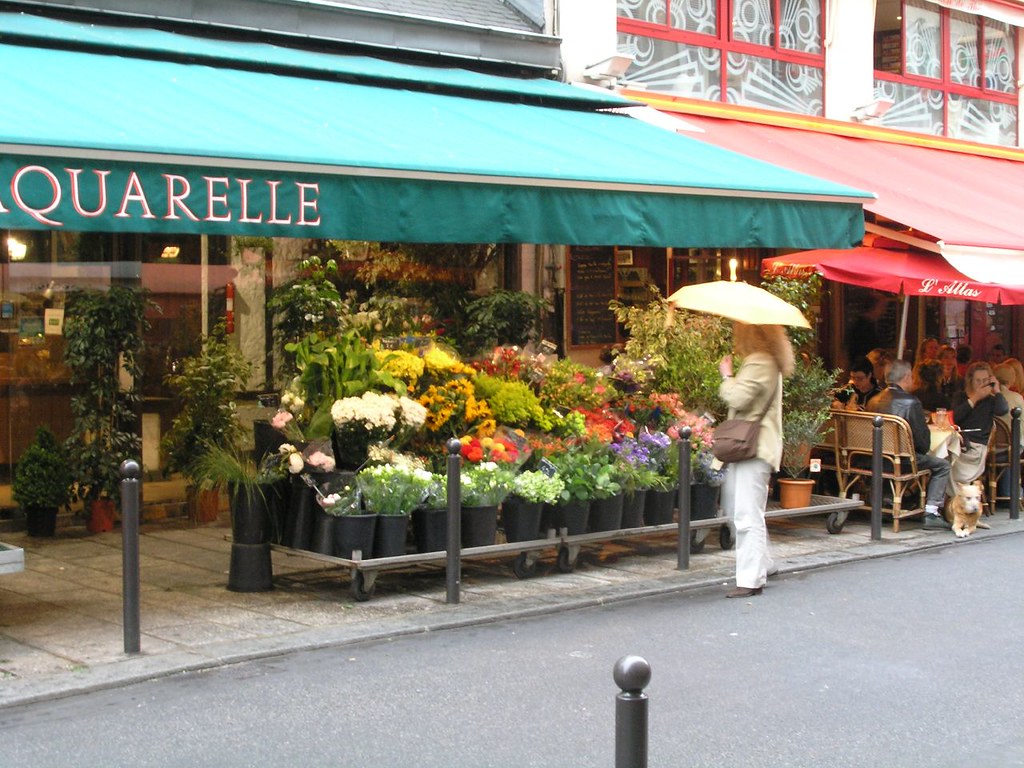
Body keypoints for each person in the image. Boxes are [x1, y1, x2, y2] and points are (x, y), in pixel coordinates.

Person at [718, 322, 794, 598]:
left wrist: (727, 376)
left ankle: (750, 579)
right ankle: (764, 563)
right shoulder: (769, 361)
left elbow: (737, 398)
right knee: (743, 508)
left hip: (753, 447)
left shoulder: (760, 361)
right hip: (756, 446)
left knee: (745, 513)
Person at [865, 358, 951, 530]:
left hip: (875, 458)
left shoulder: (873, 400)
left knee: (894, 457)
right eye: (911, 377)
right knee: (943, 466)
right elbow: (923, 443)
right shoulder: (911, 402)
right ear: (906, 377)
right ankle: (931, 512)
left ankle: (886, 501)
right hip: (902, 460)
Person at [951, 361, 1009, 488]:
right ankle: (954, 497)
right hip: (957, 444)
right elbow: (955, 417)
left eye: (985, 380)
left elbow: (1003, 410)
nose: (982, 384)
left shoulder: (991, 401)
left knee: (950, 470)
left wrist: (997, 390)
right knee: (942, 463)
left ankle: (956, 496)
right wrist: (975, 398)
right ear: (970, 380)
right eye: (978, 380)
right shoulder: (960, 397)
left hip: (976, 449)